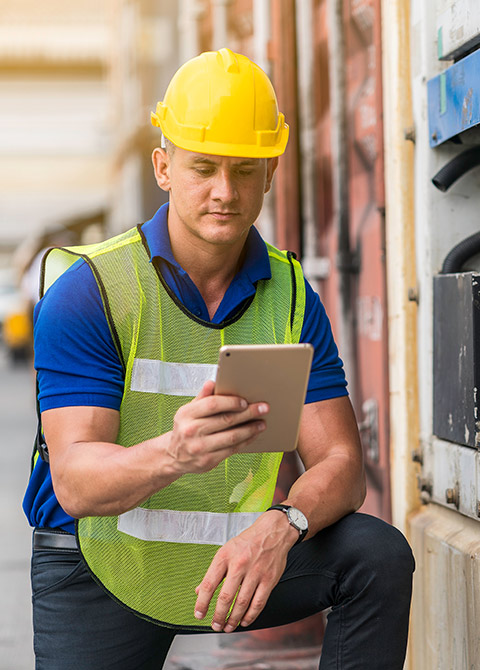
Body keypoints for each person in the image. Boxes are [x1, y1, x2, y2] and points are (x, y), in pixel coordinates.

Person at [23, 48, 414, 670]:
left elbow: (341, 462)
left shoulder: (289, 296)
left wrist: (283, 524)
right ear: (164, 166)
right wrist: (175, 452)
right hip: (99, 562)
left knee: (377, 554)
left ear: (271, 172)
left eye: (244, 169)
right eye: (203, 167)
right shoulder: (91, 291)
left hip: (233, 558)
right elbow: (74, 481)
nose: (224, 192)